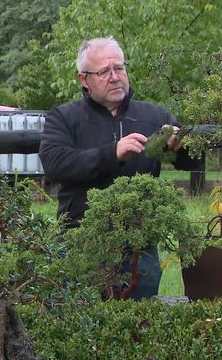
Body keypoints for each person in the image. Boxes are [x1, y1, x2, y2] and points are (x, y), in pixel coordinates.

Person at [39, 37, 201, 299]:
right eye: (104, 71)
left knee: (138, 324)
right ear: (84, 80)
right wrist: (112, 153)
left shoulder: (155, 116)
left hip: (140, 247)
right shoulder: (64, 118)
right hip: (81, 242)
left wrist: (181, 146)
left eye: (120, 68)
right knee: (80, 322)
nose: (115, 77)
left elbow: (194, 162)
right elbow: (55, 163)